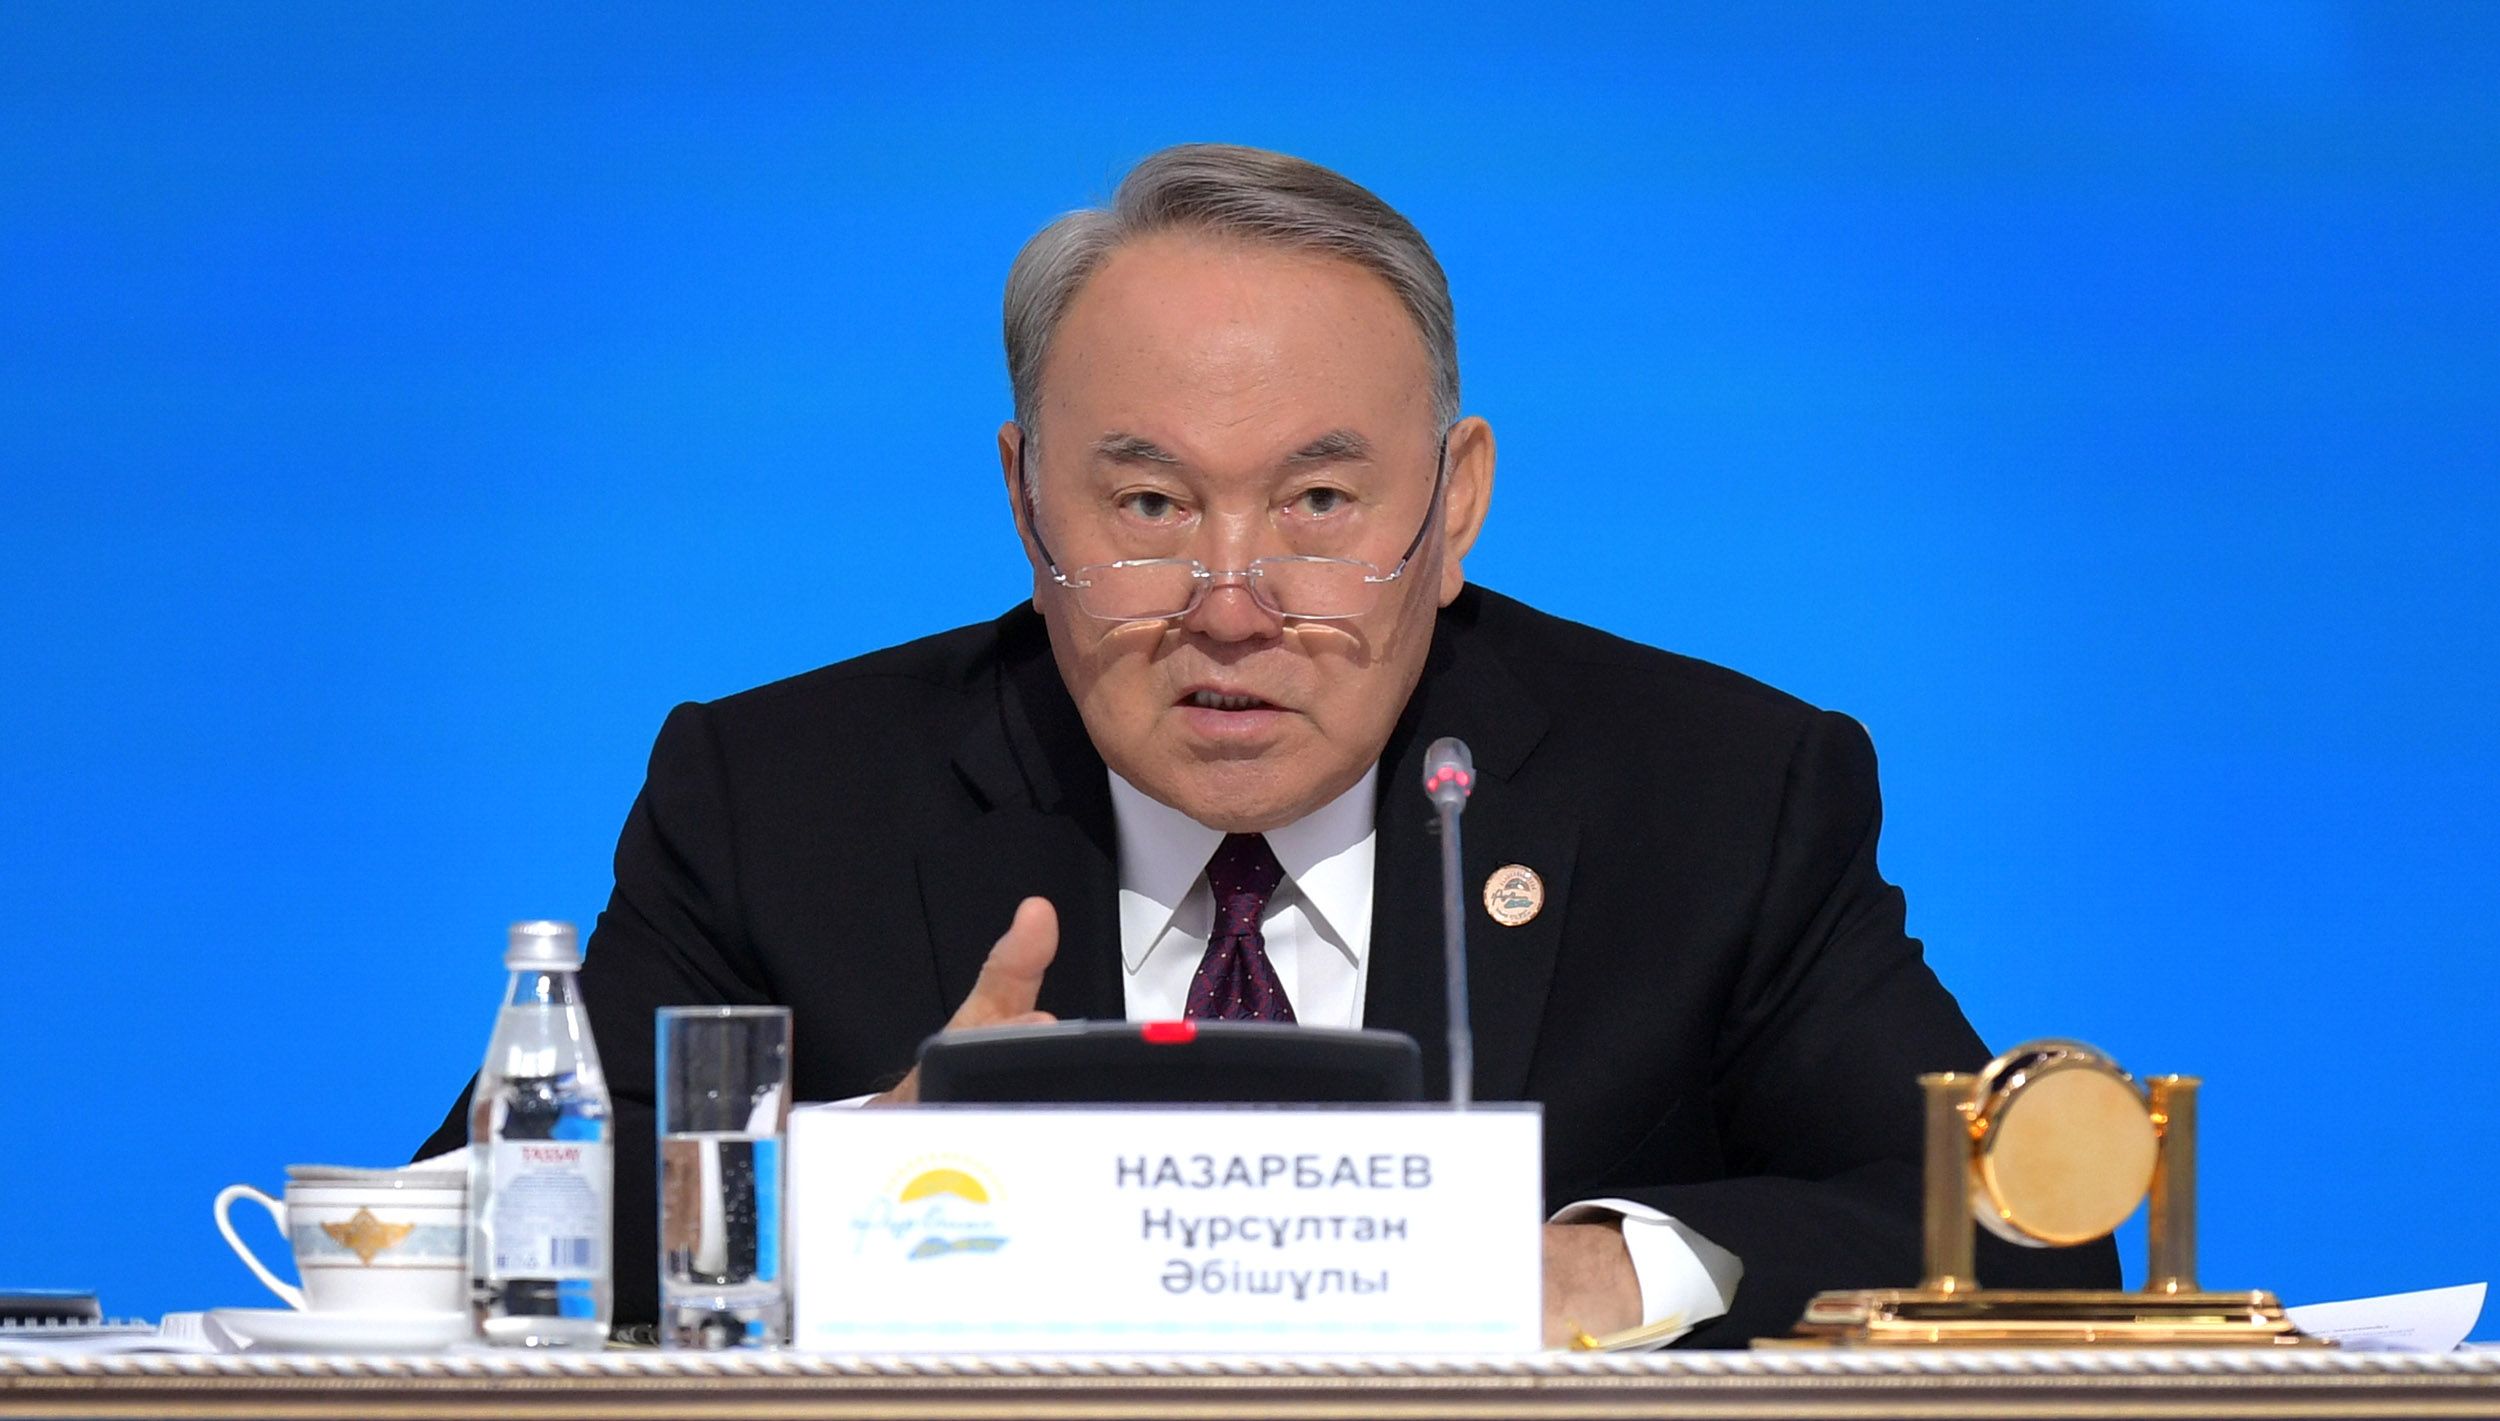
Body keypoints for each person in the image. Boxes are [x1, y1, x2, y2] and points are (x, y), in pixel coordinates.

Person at [420, 143, 2116, 1345]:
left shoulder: (1715, 794)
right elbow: (469, 1237)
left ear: (1454, 507)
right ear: (1025, 499)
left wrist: (1614, 1269)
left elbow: (2025, 1230)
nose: (1232, 606)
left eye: (1318, 502)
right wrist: (851, 1177)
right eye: (1151, 505)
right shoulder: (783, 798)